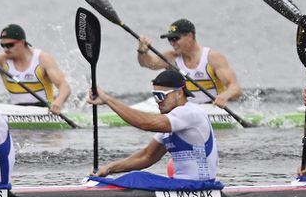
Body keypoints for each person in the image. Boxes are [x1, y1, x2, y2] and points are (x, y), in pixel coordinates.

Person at [87, 70, 218, 180]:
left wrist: (108, 100)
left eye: (161, 96)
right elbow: (147, 156)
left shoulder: (190, 113)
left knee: (137, 179)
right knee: (135, 177)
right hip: (182, 185)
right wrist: (109, 169)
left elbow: (146, 124)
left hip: (199, 186)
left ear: (179, 93)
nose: (157, 101)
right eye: (155, 96)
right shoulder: (171, 122)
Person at [136, 18, 241, 109]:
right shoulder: (171, 57)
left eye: (175, 38)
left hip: (212, 108)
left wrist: (225, 96)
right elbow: (148, 63)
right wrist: (142, 51)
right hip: (185, 109)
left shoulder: (212, 58)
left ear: (190, 36)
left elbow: (235, 88)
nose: (172, 43)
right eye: (169, 39)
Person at [0, 24, 71, 115]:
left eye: (10, 45)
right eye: (3, 45)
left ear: (22, 42)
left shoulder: (42, 59)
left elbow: (64, 86)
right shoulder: (3, 59)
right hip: (16, 111)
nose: (6, 49)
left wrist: (58, 101)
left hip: (44, 111)